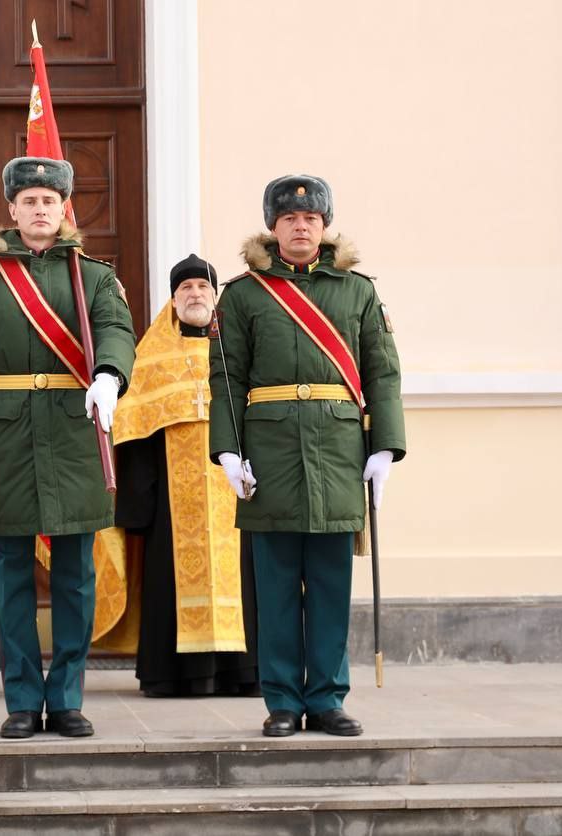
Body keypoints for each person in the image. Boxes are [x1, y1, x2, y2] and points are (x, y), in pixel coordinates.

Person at [0, 156, 136, 739]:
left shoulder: (94, 275)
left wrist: (107, 374)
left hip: (74, 433)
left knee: (76, 575)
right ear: (12, 210)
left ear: (64, 208)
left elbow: (117, 330)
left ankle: (69, 696)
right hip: (3, 439)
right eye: (29, 201)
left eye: (49, 201)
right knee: (12, 578)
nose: (39, 210)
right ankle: (22, 699)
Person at [209, 174, 405, 738]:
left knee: (327, 583)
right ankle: (282, 701)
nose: (301, 226)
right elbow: (226, 378)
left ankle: (326, 697)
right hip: (269, 451)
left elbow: (382, 373)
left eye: (311, 219)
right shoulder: (243, 294)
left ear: (324, 226)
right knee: (273, 585)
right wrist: (227, 450)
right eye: (290, 219)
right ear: (273, 226)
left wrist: (385, 446)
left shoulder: (357, 291)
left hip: (338, 448)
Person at [113, 254, 259, 698]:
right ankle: (172, 674)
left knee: (245, 578)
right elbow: (134, 431)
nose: (195, 295)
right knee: (170, 580)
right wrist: (140, 503)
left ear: (215, 298)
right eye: (186, 289)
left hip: (238, 496)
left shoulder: (238, 350)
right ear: (173, 300)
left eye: (202, 288)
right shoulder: (151, 358)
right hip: (173, 504)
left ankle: (243, 673)